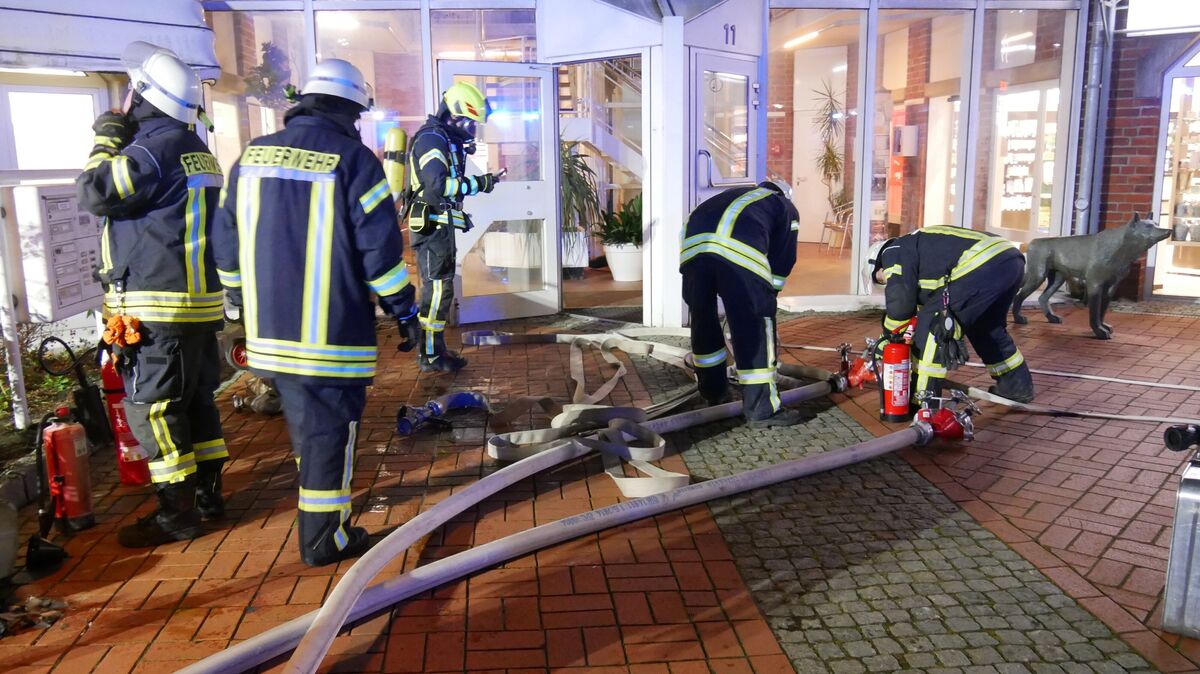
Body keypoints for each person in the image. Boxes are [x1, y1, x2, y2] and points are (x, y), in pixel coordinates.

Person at [211, 59, 419, 567]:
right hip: (330, 337)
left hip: (269, 338)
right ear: (350, 110)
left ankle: (322, 522)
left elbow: (226, 242)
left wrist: (238, 302)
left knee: (309, 430)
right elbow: (380, 256)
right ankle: (326, 539)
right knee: (329, 435)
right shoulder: (354, 161)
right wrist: (405, 312)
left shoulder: (251, 157)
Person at [76, 42, 228, 547]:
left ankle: (175, 513)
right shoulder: (196, 148)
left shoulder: (148, 151)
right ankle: (208, 494)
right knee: (196, 402)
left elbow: (95, 190)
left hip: (158, 309)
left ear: (142, 94)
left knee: (154, 409)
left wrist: (105, 140)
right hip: (196, 307)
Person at [864, 226, 1035, 405]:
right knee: (986, 328)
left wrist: (887, 338)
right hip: (1009, 260)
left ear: (877, 264)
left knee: (933, 327)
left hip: (983, 262)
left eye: (881, 278)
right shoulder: (917, 248)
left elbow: (900, 302)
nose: (886, 280)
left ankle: (924, 401)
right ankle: (1016, 387)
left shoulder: (893, 251)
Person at [680, 181, 802, 427]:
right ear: (783, 194)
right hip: (738, 249)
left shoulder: (737, 195)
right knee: (754, 325)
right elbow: (783, 260)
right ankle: (762, 409)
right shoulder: (784, 207)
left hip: (692, 251)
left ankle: (713, 391)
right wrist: (767, 296)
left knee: (703, 322)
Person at [404, 81, 502, 373]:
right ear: (456, 116)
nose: (473, 130)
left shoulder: (442, 139)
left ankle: (434, 350)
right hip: (433, 229)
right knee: (437, 292)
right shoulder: (432, 140)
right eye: (470, 123)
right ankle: (431, 355)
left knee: (439, 290)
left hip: (439, 228)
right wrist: (479, 183)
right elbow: (437, 186)